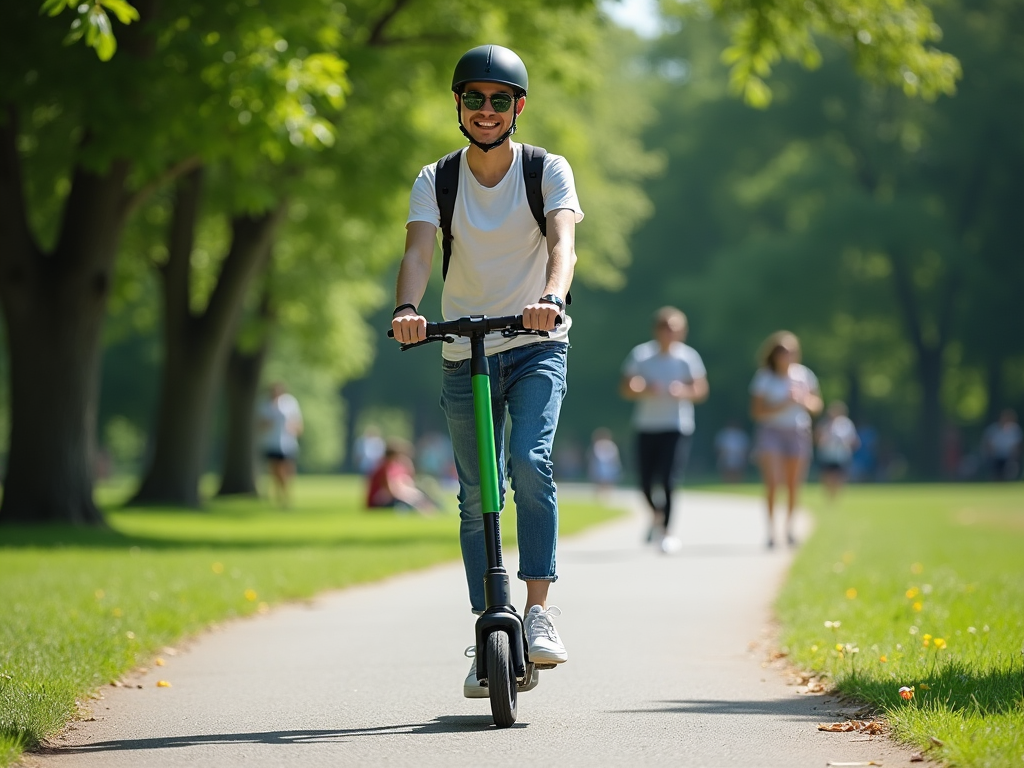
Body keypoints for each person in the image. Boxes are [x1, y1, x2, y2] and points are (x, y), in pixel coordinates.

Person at [391, 44, 582, 698]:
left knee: (529, 462)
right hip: (463, 346)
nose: (487, 110)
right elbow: (419, 250)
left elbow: (563, 243)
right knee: (476, 496)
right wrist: (408, 307)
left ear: (518, 107)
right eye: (475, 98)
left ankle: (536, 611)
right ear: (459, 105)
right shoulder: (436, 179)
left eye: (500, 100)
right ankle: (487, 628)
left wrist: (551, 299)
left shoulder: (546, 170)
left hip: (535, 344)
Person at [620, 307, 709, 553]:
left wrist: (683, 391)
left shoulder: (688, 358)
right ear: (657, 330)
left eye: (675, 329)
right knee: (645, 482)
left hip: (676, 426)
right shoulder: (642, 354)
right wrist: (645, 389)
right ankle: (657, 516)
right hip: (647, 426)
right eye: (666, 328)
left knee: (669, 480)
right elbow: (627, 387)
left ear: (682, 331)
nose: (670, 333)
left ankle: (667, 532)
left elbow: (701, 390)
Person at [749, 331, 822, 548]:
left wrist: (803, 400)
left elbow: (817, 405)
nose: (787, 356)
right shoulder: (764, 377)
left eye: (791, 352)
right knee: (773, 483)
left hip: (798, 432)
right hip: (771, 432)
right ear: (774, 354)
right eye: (783, 352)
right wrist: (784, 403)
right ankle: (771, 531)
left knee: (793, 485)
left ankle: (789, 529)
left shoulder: (804, 375)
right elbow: (757, 411)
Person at [259, 382, 303, 508]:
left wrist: (292, 428)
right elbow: (259, 425)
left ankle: (286, 497)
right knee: (275, 471)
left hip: (287, 443)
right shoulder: (265, 405)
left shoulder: (290, 403)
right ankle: (279, 497)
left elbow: (298, 423)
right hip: (271, 442)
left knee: (286, 471)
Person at [365, 439, 437, 513]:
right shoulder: (383, 468)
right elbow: (390, 490)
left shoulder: (387, 467)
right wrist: (406, 496)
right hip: (378, 503)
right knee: (406, 504)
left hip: (384, 499)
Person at [815, 401, 860, 502]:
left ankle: (836, 497)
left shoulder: (847, 424)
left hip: (841, 455)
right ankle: (828, 496)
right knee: (827, 477)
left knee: (839, 478)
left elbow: (854, 440)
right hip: (827, 454)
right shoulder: (824, 424)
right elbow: (817, 438)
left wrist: (846, 443)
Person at [981, 409, 1022, 481]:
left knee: (1009, 473)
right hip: (996, 456)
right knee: (996, 475)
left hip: (1009, 457)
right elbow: (988, 444)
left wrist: (1014, 456)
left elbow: (1017, 445)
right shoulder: (993, 429)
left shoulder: (1015, 430)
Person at [587, 427, 622, 497]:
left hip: (608, 466)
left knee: (608, 481)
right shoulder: (597, 445)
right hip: (601, 466)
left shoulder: (610, 445)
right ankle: (600, 495)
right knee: (601, 482)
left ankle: (607, 495)